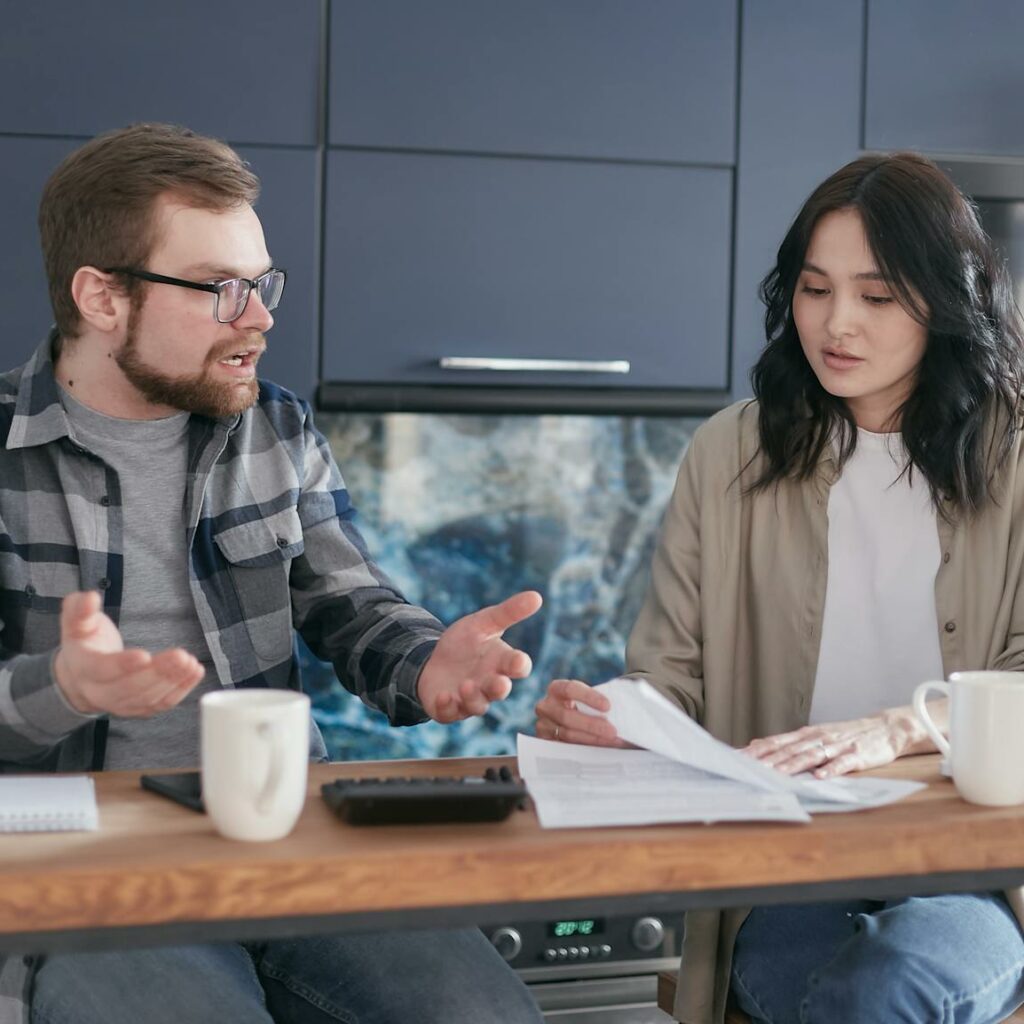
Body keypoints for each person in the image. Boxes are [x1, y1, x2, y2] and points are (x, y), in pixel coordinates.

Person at [0, 123, 544, 1024]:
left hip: (287, 844)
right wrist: (62, 686)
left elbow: (352, 604)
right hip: (92, 876)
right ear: (100, 297)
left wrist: (425, 664)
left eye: (260, 284)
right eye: (221, 289)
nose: (260, 316)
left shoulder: (274, 428)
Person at [536, 152, 1024, 1024]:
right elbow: (667, 675)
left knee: (889, 986)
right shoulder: (730, 455)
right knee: (844, 998)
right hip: (790, 862)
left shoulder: (1016, 458)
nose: (837, 324)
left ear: (947, 303)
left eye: (877, 298)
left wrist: (898, 729)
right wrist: (618, 718)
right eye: (813, 289)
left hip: (976, 871)